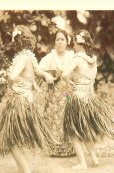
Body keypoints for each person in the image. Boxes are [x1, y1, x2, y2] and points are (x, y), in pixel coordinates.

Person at [0, 25, 56, 173]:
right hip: (28, 99)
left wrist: (6, 75)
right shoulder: (29, 56)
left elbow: (13, 75)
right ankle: (22, 171)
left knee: (11, 138)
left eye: (14, 39)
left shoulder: (23, 58)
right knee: (16, 136)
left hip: (21, 100)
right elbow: (37, 72)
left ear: (17, 41)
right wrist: (45, 76)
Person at [62, 29, 114, 169]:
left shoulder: (78, 58)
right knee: (85, 129)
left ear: (79, 43)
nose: (72, 44)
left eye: (74, 41)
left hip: (78, 97)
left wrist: (69, 81)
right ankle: (94, 158)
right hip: (90, 96)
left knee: (73, 131)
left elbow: (64, 73)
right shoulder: (93, 59)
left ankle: (82, 163)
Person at [35, 29, 75, 157]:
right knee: (53, 117)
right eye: (57, 39)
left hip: (67, 92)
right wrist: (46, 74)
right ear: (54, 42)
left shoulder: (71, 56)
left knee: (68, 115)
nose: (59, 42)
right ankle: (55, 148)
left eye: (62, 39)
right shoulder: (50, 57)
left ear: (67, 41)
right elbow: (37, 70)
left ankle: (70, 148)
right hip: (53, 93)